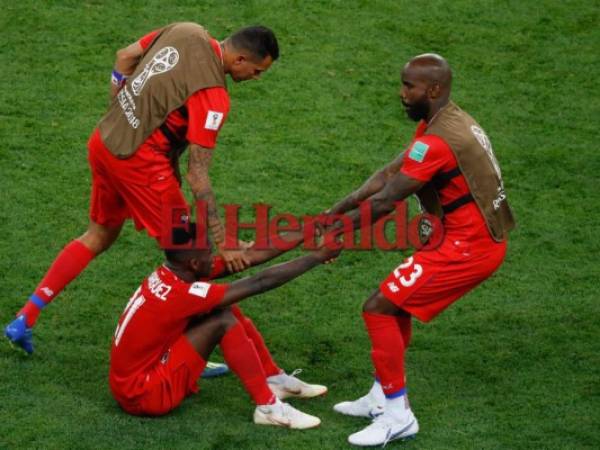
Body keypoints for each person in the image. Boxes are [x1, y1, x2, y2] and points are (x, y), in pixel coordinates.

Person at [5, 23, 279, 356]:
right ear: (239, 59)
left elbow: (125, 58)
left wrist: (119, 111)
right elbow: (198, 176)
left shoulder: (186, 30)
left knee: (98, 235)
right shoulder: (213, 96)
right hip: (142, 167)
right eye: (257, 70)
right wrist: (225, 243)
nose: (256, 77)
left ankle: (25, 317)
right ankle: (188, 346)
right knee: (194, 257)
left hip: (105, 141)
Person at [326, 54, 515, 446]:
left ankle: (398, 415)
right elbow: (390, 174)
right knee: (395, 303)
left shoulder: (439, 141)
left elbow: (386, 200)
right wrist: (339, 208)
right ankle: (382, 396)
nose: (402, 94)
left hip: (468, 248)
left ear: (433, 89)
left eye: (409, 87)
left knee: (377, 305)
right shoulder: (444, 122)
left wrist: (335, 234)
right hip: (460, 239)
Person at [109, 226, 339, 427]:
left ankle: (273, 379)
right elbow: (260, 282)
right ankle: (268, 409)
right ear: (195, 263)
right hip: (144, 396)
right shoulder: (181, 293)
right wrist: (316, 257)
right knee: (223, 320)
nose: (215, 256)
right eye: (210, 252)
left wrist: (309, 230)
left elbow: (249, 256)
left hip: (134, 383)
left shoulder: (174, 274)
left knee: (221, 307)